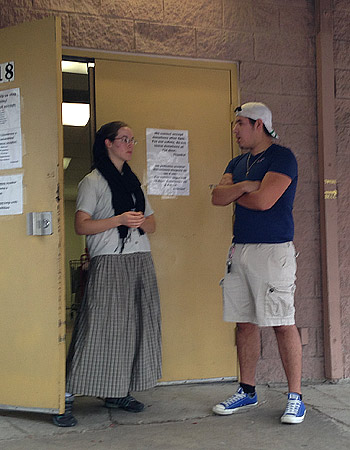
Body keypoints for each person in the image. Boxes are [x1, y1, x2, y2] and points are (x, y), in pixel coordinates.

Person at [53, 121, 162, 427]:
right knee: (98, 326)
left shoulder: (132, 183)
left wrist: (136, 221)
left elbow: (151, 224)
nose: (129, 144)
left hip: (140, 259)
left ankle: (115, 391)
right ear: (108, 144)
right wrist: (119, 220)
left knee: (134, 327)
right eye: (124, 139)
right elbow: (81, 225)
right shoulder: (93, 181)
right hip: (110, 262)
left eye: (132, 139)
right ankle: (65, 395)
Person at [211, 102, 305, 425]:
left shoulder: (282, 158)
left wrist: (237, 192)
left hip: (273, 251)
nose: (235, 130)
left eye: (240, 124)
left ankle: (296, 397)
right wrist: (245, 186)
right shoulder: (237, 162)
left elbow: (265, 201)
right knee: (244, 322)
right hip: (240, 250)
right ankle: (247, 390)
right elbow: (216, 197)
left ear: (259, 125)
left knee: (282, 321)